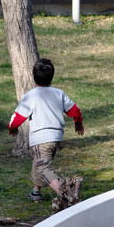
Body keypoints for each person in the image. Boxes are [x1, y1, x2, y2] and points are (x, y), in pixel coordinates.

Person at [8, 58, 84, 204]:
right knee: (39, 162)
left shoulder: (31, 95)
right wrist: (78, 124)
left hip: (41, 138)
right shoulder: (59, 93)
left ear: (33, 75)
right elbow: (74, 110)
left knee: (44, 167)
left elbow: (18, 116)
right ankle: (36, 192)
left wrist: (12, 128)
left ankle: (68, 195)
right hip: (56, 137)